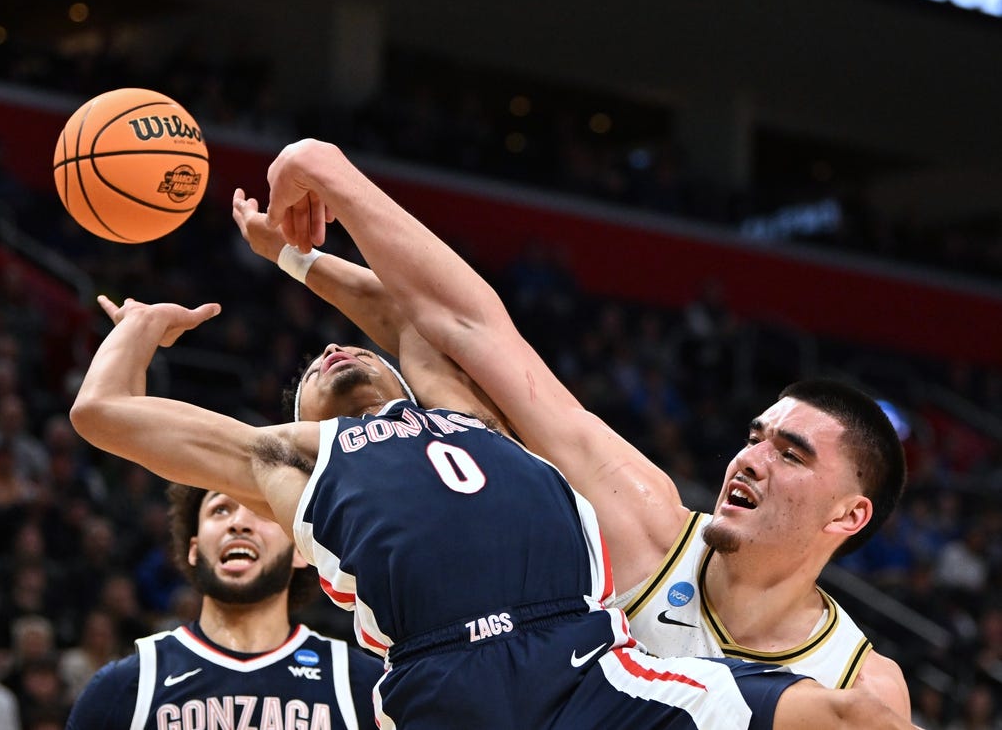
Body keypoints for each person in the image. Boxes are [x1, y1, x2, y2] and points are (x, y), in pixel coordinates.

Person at [244, 137, 912, 716]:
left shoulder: (860, 685)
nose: (750, 459)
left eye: (790, 453)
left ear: (847, 515)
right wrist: (322, 175)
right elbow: (468, 331)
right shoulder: (642, 525)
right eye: (754, 436)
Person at [69, 293, 915, 729]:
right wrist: (139, 326)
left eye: (354, 351)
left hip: (586, 656)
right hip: (451, 682)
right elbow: (102, 413)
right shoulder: (293, 460)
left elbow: (429, 315)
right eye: (311, 370)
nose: (331, 352)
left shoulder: (470, 420)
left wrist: (303, 260)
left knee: (853, 714)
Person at [65, 479, 382, 729]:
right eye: (220, 509)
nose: (239, 524)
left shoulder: (362, 685)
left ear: (300, 550)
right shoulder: (122, 688)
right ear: (194, 549)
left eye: (263, 510)